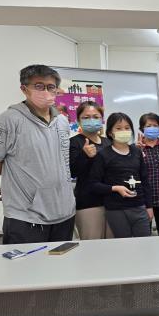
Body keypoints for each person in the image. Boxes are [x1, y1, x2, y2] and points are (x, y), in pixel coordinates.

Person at [0, 64, 76, 316]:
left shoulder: (62, 122)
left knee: (53, 270)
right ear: (24, 88)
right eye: (38, 86)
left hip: (62, 210)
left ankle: (44, 315)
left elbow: (60, 163)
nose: (45, 91)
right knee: (17, 274)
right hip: (25, 214)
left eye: (51, 86)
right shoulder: (7, 121)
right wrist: (15, 179)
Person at [89, 112, 153, 238]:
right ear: (110, 132)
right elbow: (93, 184)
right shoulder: (103, 155)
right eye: (118, 128)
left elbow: (145, 181)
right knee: (124, 244)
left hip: (139, 206)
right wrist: (115, 188)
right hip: (116, 209)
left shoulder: (136, 152)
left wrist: (149, 207)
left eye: (127, 128)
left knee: (145, 243)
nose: (123, 131)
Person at [70, 101, 113, 239]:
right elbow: (72, 171)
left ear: (102, 119)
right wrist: (84, 155)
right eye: (86, 117)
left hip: (112, 201)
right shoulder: (74, 142)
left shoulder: (108, 142)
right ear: (78, 120)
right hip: (89, 203)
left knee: (114, 245)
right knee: (93, 245)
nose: (91, 120)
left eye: (96, 117)